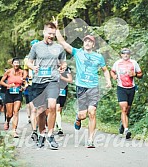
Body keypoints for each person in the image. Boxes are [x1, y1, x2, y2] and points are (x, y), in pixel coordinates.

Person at [55, 20, 111, 148]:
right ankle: (78, 118)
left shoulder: (98, 57)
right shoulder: (77, 52)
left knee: (92, 112)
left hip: (93, 87)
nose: (87, 42)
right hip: (81, 87)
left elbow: (105, 70)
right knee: (83, 115)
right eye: (86, 41)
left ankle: (90, 140)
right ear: (83, 43)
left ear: (93, 44)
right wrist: (57, 29)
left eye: (90, 41)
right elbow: (63, 43)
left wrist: (108, 81)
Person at [27, 22, 67, 149]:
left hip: (53, 81)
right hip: (38, 81)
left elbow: (63, 63)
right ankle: (42, 134)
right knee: (41, 111)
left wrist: (63, 67)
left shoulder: (59, 48)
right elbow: (29, 61)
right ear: (44, 32)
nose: (51, 36)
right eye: (49, 33)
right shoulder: (36, 47)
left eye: (53, 34)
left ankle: (50, 134)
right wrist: (33, 67)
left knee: (52, 106)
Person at [110, 48, 143, 139]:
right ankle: (126, 130)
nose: (125, 55)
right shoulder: (117, 63)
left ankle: (122, 125)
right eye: (124, 54)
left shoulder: (134, 63)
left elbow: (140, 74)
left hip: (131, 88)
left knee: (127, 110)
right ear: (121, 55)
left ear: (129, 55)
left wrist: (135, 75)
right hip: (121, 88)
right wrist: (114, 76)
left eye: (127, 54)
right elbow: (112, 71)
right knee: (124, 109)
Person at [0, 58, 25, 138]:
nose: (16, 64)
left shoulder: (22, 72)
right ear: (12, 64)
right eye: (15, 63)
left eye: (18, 63)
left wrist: (23, 87)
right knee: (9, 114)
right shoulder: (8, 72)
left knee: (16, 112)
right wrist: (8, 85)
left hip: (18, 93)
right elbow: (1, 82)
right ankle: (7, 121)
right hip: (9, 93)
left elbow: (25, 82)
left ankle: (14, 131)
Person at [23, 39, 39, 141]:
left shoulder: (45, 57)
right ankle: (34, 131)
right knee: (34, 108)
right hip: (32, 85)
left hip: (44, 84)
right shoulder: (27, 59)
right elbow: (25, 72)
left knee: (44, 109)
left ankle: (40, 125)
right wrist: (24, 82)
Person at [55, 66, 73, 135]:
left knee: (60, 108)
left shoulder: (66, 68)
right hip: (54, 89)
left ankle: (57, 122)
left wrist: (62, 78)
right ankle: (60, 128)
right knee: (57, 108)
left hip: (63, 89)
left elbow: (70, 80)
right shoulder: (52, 66)